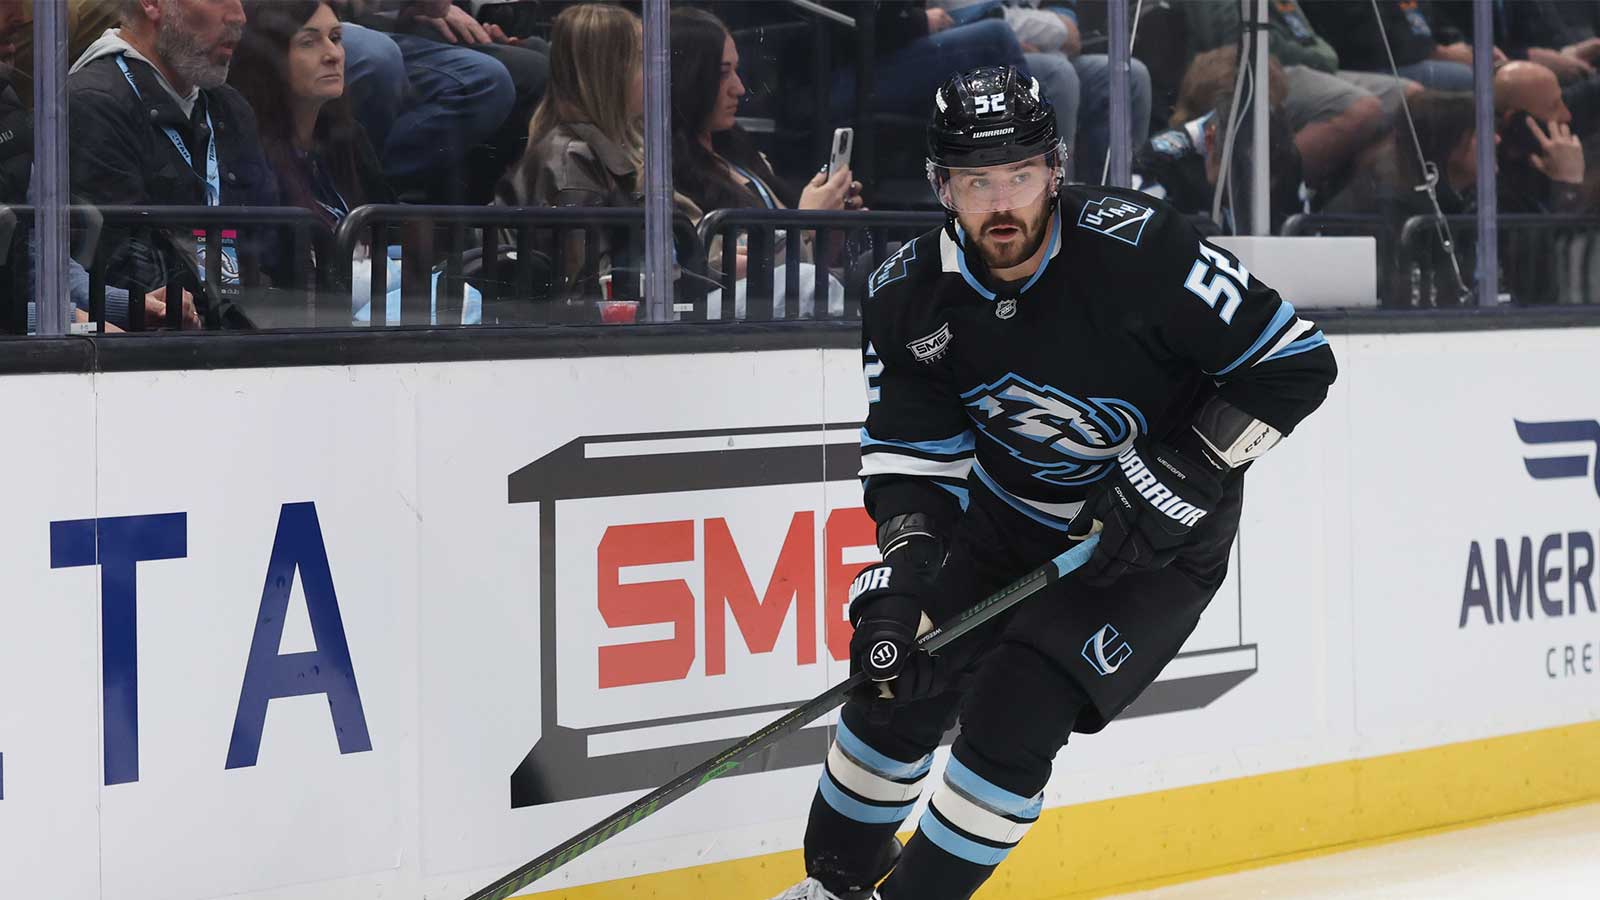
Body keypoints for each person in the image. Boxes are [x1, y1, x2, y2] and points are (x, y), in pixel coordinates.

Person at [766, 65, 1336, 900]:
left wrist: (1193, 462)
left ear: (1056, 170)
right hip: (1003, 521)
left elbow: (1294, 365)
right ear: (941, 187)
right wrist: (909, 577)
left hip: (1152, 548)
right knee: (894, 685)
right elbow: (915, 462)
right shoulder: (906, 296)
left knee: (1013, 708)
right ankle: (838, 885)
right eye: (977, 181)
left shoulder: (1144, 250)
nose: (1002, 203)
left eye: (1021, 176)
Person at [68, 0, 278, 329]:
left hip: (250, 342)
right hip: (157, 358)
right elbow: (129, 273)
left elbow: (272, 244)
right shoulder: (93, 104)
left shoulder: (229, 108)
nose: (239, 16)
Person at [671, 6, 861, 314]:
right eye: (722, 73)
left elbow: (803, 264)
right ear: (686, 77)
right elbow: (728, 269)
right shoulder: (662, 176)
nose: (740, 88)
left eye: (736, 70)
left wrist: (830, 230)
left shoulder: (743, 154)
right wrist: (807, 222)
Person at [493, 3, 648, 301]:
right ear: (608, 70)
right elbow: (588, 288)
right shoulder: (571, 161)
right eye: (641, 59)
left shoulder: (610, 151)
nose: (654, 74)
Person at [1183, 0, 1415, 185]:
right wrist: (1317, 57)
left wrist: (1318, 58)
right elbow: (1240, 40)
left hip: (1309, 66)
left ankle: (1346, 204)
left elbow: (1312, 39)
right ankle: (1270, 190)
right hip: (1245, 70)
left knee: (1409, 98)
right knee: (1363, 109)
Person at [931, 0, 1151, 182]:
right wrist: (1040, 32)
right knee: (1057, 73)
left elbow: (1071, 35)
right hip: (970, 57)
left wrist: (1032, 31)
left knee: (1129, 75)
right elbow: (970, 20)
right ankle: (1059, 189)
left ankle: (1115, 193)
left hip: (1045, 53)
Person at [228, 0, 392, 234]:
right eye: (308, 43)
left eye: (335, 38)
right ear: (268, 58)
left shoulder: (349, 137)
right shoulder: (247, 153)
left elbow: (389, 235)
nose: (333, 55)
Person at [1302, 0, 1487, 93]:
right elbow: (1374, 43)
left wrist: (1460, 45)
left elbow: (1435, 20)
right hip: (1379, 66)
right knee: (1477, 78)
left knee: (1503, 71)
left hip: (1423, 56)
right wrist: (1435, 52)